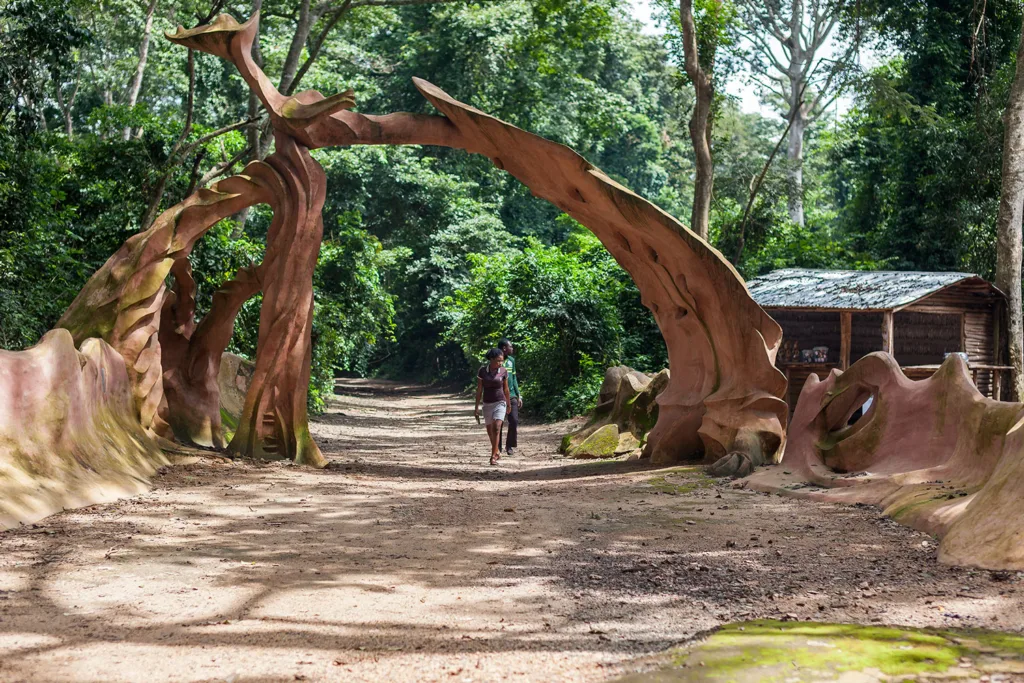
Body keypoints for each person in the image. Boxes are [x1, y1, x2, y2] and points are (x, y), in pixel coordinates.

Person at [474, 348, 511, 466]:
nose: (500, 363)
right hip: (487, 403)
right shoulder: (482, 371)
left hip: (500, 402)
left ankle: (493, 456)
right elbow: (479, 390)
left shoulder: (503, 371)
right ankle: (497, 450)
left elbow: (506, 389)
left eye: (502, 361)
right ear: (491, 359)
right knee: (490, 431)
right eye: (498, 361)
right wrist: (476, 407)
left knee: (497, 427)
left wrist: (509, 404)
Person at [497, 338, 522, 456]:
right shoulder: (496, 361)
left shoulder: (512, 361)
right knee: (499, 422)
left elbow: (514, 378)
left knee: (514, 420)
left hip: (511, 395)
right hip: (499, 396)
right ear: (504, 348)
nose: (512, 348)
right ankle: (497, 447)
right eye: (510, 346)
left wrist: (518, 395)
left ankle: (509, 445)